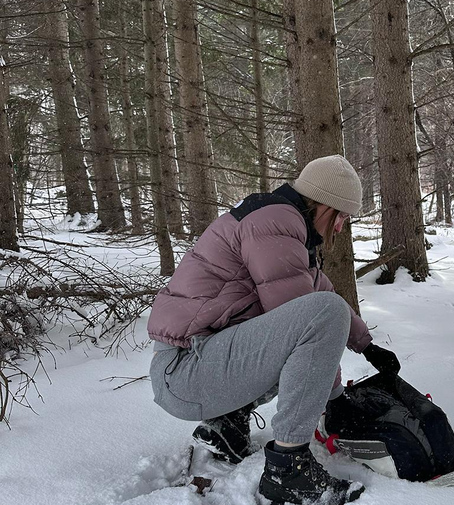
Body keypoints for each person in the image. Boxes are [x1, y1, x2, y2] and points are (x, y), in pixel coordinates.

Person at [147, 155, 401, 505]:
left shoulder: (282, 223)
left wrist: (367, 345)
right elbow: (307, 321)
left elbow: (320, 292)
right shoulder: (274, 223)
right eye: (341, 215)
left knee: (320, 312)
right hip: (185, 372)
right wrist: (334, 397)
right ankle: (288, 467)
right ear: (324, 204)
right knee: (319, 319)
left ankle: (227, 424)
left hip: (194, 367)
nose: (341, 227)